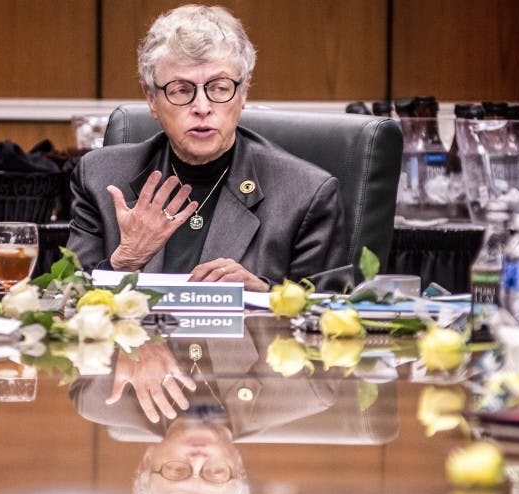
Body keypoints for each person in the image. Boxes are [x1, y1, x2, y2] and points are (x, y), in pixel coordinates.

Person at [66, 4, 350, 292]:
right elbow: (66, 301)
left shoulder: (305, 194)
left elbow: (328, 316)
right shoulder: (101, 178)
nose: (202, 107)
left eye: (219, 88)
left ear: (243, 93)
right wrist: (122, 265)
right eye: (181, 90)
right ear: (151, 99)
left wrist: (264, 297)